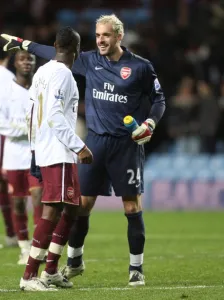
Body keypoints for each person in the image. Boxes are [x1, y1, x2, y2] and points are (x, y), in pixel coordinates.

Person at [1, 13, 166, 286]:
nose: (100, 40)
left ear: (119, 36)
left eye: (106, 35)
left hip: (126, 144)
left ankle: (135, 268)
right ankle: (73, 261)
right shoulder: (88, 61)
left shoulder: (140, 67)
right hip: (95, 143)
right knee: (80, 206)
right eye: (98, 35)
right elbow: (55, 51)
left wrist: (150, 122)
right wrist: (23, 43)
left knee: (131, 206)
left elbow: (159, 99)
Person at [19, 26, 93, 291]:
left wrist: (34, 148)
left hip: (47, 148)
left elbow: (31, 111)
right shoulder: (63, 75)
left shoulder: (42, 71)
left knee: (72, 207)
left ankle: (50, 271)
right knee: (52, 209)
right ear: (77, 50)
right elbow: (53, 115)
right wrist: (79, 146)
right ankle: (29, 276)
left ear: (54, 45)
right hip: (59, 150)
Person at [0, 50, 43, 264]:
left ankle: (37, 247)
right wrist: (25, 130)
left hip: (37, 154)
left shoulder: (40, 88)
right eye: (22, 59)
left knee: (38, 198)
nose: (27, 62)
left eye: (30, 59)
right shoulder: (5, 90)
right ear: (15, 64)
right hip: (14, 155)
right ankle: (24, 248)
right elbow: (1, 122)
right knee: (17, 203)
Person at [0, 50, 17, 248]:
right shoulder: (10, 78)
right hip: (6, 134)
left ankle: (13, 233)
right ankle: (13, 233)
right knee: (9, 184)